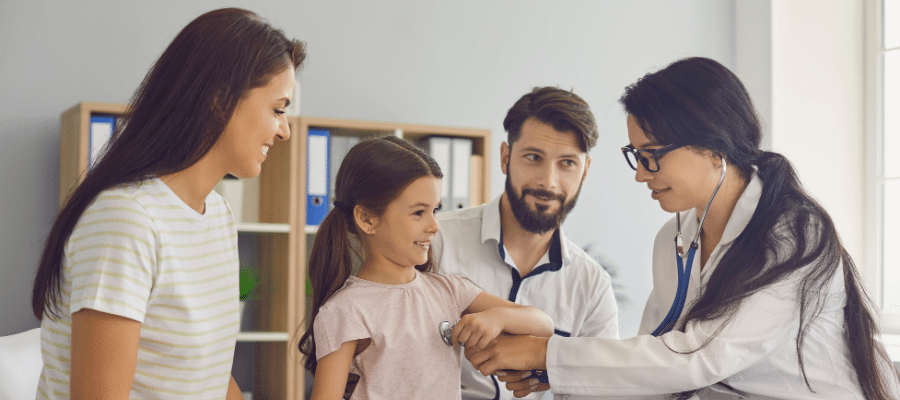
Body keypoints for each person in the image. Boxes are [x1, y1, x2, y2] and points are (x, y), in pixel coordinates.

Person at [466, 57, 900, 399]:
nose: (641, 173)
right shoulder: (674, 240)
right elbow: (655, 366)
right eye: (636, 155)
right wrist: (552, 372)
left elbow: (699, 358)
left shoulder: (792, 236)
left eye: (652, 154)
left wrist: (546, 353)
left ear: (714, 147)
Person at [31, 8, 305, 399]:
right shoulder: (126, 219)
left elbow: (207, 377)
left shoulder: (218, 217)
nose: (285, 131)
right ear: (220, 100)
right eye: (278, 109)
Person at [297, 136, 554, 400]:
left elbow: (543, 324)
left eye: (435, 210)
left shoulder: (450, 291)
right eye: (419, 212)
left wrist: (498, 317)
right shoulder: (346, 310)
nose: (434, 225)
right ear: (367, 218)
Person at [433, 86, 619, 400]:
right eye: (533, 157)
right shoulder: (435, 242)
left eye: (567, 164)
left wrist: (551, 361)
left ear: (585, 171)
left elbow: (604, 389)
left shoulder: (592, 284)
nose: (549, 181)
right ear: (505, 157)